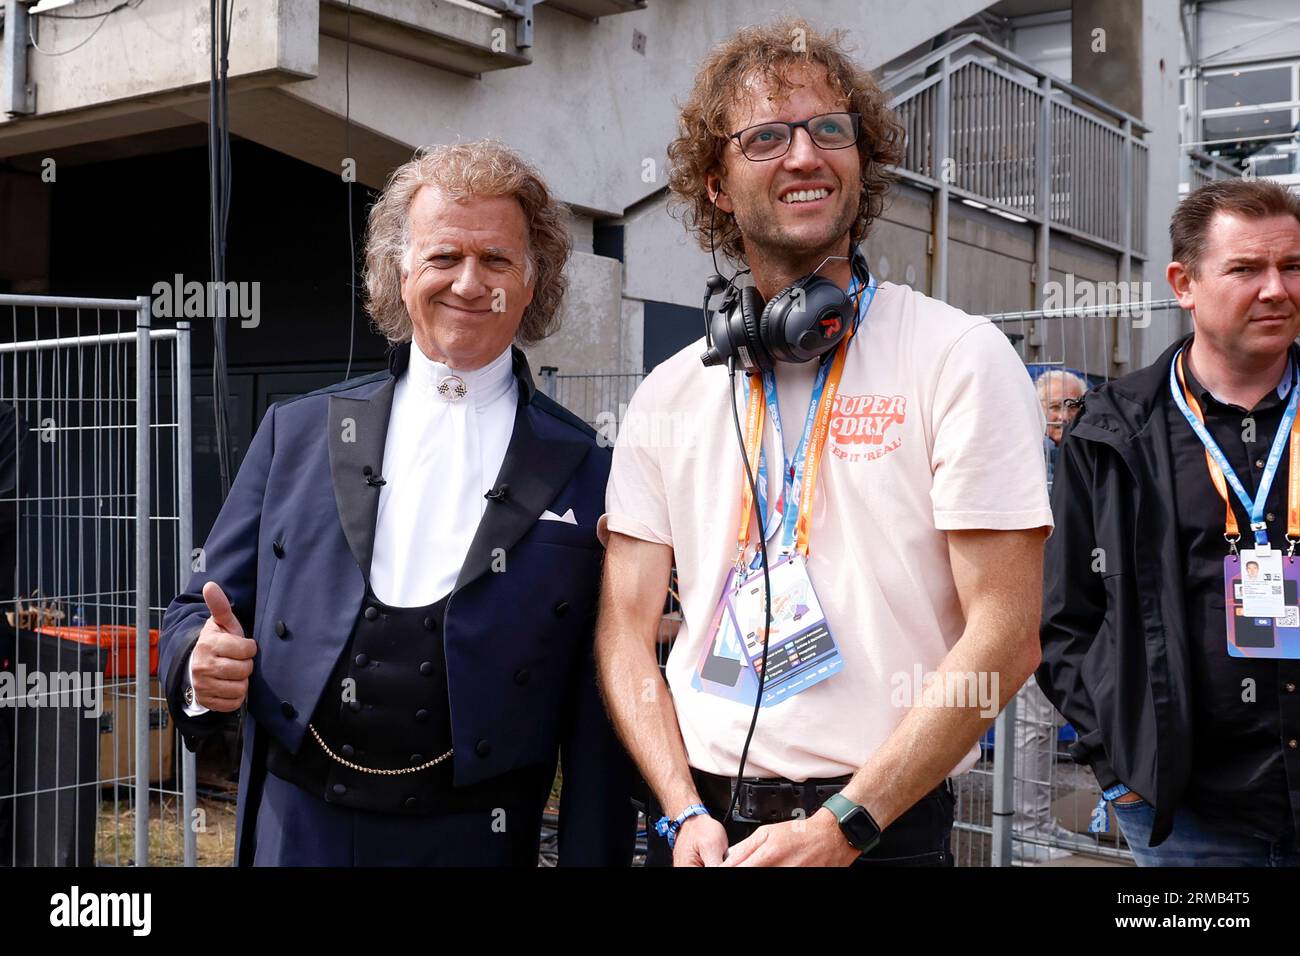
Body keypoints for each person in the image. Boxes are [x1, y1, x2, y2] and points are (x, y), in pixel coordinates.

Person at [595, 18, 1051, 867]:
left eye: (828, 130)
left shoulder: (959, 355)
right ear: (718, 186)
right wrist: (679, 809)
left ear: (860, 160)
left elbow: (1006, 633)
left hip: (879, 830)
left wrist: (846, 825)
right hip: (699, 833)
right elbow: (625, 627)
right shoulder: (669, 391)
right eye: (767, 136)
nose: (805, 155)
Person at [159, 141, 635, 867]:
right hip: (298, 833)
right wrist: (198, 663)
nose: (470, 284)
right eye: (444, 257)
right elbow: (198, 607)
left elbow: (602, 711)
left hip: (477, 844)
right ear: (400, 271)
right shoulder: (296, 433)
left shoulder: (591, 468)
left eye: (498, 261)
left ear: (533, 281)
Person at [1040, 178, 1300, 866]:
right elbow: (1065, 619)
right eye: (1246, 269)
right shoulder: (1111, 431)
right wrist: (1121, 771)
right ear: (1184, 284)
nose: (1276, 289)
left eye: (1293, 266)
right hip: (1190, 818)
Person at [1011, 369, 1089, 863]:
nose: (1067, 416)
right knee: (1032, 721)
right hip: (1027, 606)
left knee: (1041, 720)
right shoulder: (1028, 454)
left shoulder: (1067, 455)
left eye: (1074, 406)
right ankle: (1025, 833)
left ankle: (1036, 826)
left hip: (1055, 606)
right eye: (1059, 407)